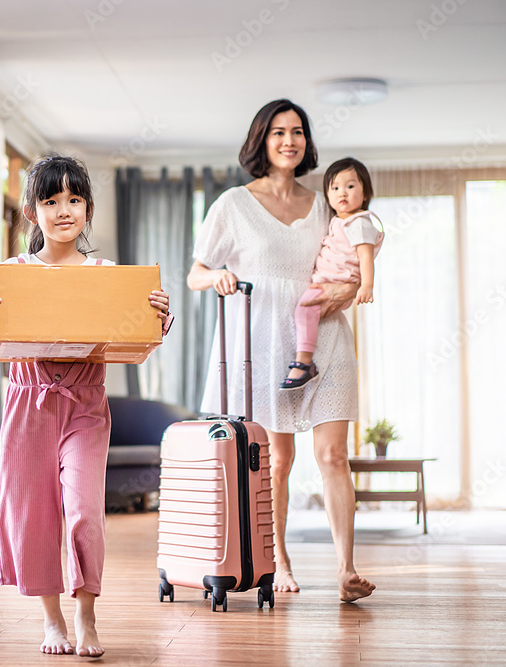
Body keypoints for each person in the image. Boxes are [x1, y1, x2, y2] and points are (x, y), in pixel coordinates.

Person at [0, 154, 170, 656]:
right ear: (32, 212)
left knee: (82, 510)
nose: (64, 210)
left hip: (85, 404)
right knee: (34, 513)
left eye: (74, 199)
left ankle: (86, 615)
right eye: (51, 201)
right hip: (27, 401)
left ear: (88, 208)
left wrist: (159, 316)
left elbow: (142, 334)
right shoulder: (10, 272)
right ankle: (51, 621)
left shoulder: (106, 273)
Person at [186, 99, 376, 602]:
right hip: (265, 343)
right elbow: (194, 273)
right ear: (261, 141)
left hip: (325, 339)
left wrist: (351, 288)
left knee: (334, 454)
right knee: (277, 460)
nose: (289, 141)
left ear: (306, 142)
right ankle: (278, 561)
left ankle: (346, 571)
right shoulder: (232, 203)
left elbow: (351, 257)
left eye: (297, 132)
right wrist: (217, 276)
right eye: (277, 132)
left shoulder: (324, 204)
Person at [280, 157, 384, 390]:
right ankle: (305, 358)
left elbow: (365, 256)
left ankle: (305, 362)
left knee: (304, 309)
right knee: (307, 312)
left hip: (337, 280)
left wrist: (366, 286)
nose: (342, 193)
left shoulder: (359, 222)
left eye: (350, 186)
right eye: (335, 188)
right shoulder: (339, 220)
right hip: (330, 280)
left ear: (365, 194)